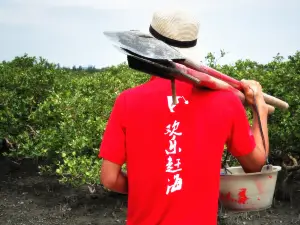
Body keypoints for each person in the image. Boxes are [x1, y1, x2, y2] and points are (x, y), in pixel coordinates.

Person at [98, 9, 270, 225]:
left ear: (150, 46)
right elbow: (256, 164)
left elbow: (109, 178)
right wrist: (259, 109)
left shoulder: (126, 101)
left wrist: (150, 188)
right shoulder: (227, 101)